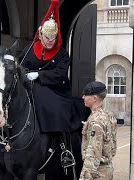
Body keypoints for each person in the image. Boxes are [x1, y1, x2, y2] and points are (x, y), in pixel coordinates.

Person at [19, 0, 85, 169]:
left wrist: (39, 75)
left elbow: (59, 74)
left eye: (53, 37)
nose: (50, 41)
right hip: (31, 89)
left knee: (61, 109)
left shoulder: (62, 54)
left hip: (56, 91)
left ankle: (65, 148)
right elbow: (21, 66)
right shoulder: (29, 49)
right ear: (40, 35)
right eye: (47, 37)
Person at [79, 81, 117, 180]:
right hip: (107, 169)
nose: (83, 97)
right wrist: (89, 128)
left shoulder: (96, 122)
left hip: (97, 173)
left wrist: (85, 177)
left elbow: (93, 155)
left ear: (94, 98)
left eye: (86, 95)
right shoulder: (108, 115)